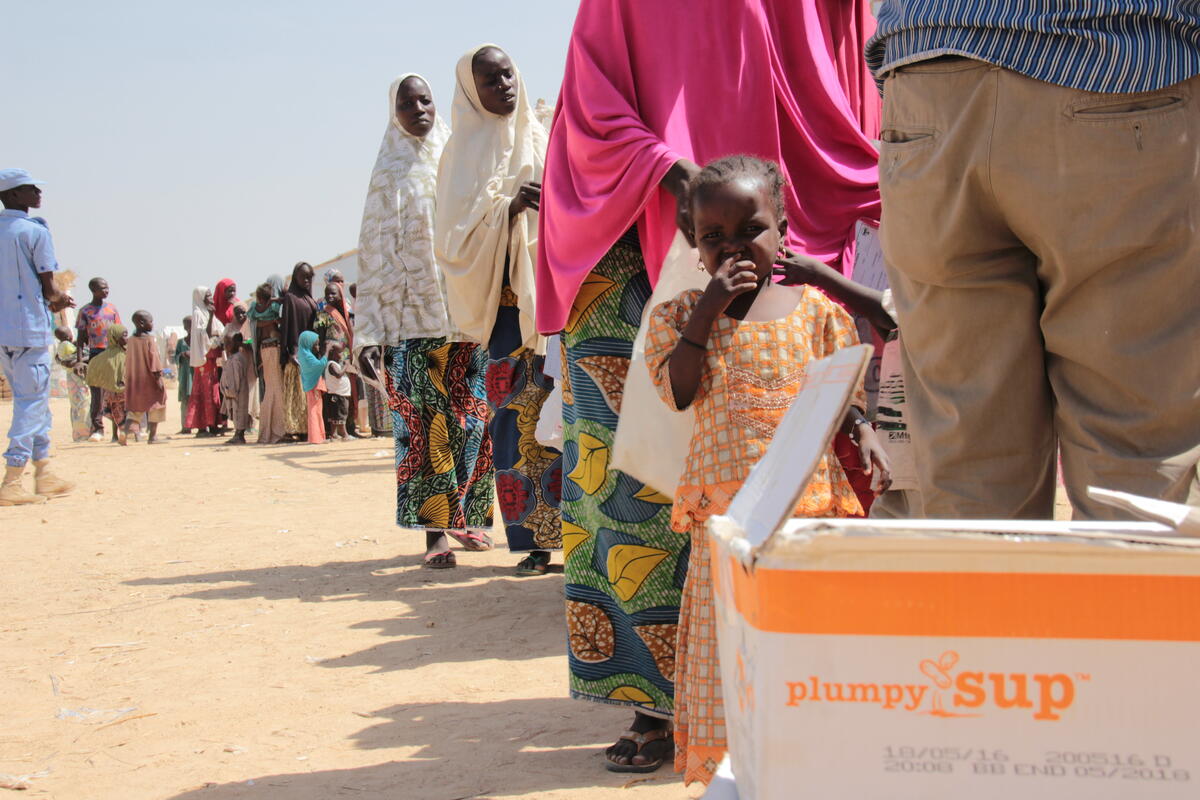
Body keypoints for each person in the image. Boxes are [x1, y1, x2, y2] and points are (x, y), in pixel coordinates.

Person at [535, 0, 881, 770]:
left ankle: (804, 705)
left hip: (775, 212)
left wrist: (784, 220)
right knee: (632, 484)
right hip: (631, 217)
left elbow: (846, 65)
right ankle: (656, 705)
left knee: (798, 491)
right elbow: (589, 97)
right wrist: (673, 179)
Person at [867, 3, 1200, 519]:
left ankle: (987, 600)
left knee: (966, 469)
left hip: (930, 85)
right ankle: (1130, 599)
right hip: (1117, 70)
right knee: (1133, 460)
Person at [645, 156, 890, 784]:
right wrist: (710, 308)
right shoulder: (679, 317)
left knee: (808, 652)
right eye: (713, 237)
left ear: (782, 225)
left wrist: (862, 431)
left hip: (806, 515)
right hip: (725, 526)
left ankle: (815, 771)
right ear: (693, 247)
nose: (733, 247)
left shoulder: (817, 313)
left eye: (750, 228)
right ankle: (738, 775)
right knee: (731, 651)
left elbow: (841, 400)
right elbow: (678, 390)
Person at [355, 73, 496, 569]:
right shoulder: (387, 175)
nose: (419, 109)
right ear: (392, 112)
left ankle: (468, 517)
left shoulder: (457, 159)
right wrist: (369, 329)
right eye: (406, 102)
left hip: (464, 316)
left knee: (473, 419)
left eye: (425, 99)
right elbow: (372, 255)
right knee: (426, 428)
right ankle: (434, 531)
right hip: (412, 324)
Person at [435, 44, 562, 571]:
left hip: (553, 301)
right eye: (490, 81)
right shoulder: (458, 155)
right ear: (473, 92)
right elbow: (451, 244)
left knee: (561, 420)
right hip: (506, 310)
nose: (504, 85)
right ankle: (533, 542)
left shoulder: (546, 132)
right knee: (514, 425)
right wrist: (507, 209)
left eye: (507, 73)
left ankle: (572, 539)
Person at [0, 168, 74, 505]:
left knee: (35, 399)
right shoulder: (35, 232)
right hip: (29, 328)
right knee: (31, 403)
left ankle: (44, 471)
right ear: (13, 196)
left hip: (4, 331)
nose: (37, 193)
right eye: (29, 188)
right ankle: (13, 478)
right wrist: (60, 297)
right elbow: (48, 286)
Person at [75, 276, 122, 441]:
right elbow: (80, 338)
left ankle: (118, 429)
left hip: (113, 354)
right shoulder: (85, 311)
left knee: (116, 392)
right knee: (97, 394)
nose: (106, 291)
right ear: (93, 290)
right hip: (95, 354)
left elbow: (120, 334)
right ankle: (97, 429)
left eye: (107, 287)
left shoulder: (112, 310)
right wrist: (80, 360)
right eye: (102, 288)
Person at [280, 262, 318, 441]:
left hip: (310, 353)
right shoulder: (291, 298)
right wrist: (289, 352)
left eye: (310, 277)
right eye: (304, 277)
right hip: (297, 353)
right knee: (296, 397)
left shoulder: (308, 298)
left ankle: (306, 430)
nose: (307, 280)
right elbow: (287, 326)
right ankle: (293, 430)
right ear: (295, 277)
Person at [313, 281, 354, 437]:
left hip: (345, 358)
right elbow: (319, 336)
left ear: (340, 295)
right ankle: (334, 431)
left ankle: (348, 427)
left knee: (346, 394)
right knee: (334, 396)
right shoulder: (323, 313)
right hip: (331, 360)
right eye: (327, 293)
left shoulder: (345, 312)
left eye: (333, 293)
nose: (330, 296)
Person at [247, 281, 285, 444]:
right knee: (276, 390)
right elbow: (279, 324)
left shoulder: (254, 310)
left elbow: (255, 325)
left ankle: (267, 430)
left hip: (263, 350)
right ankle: (278, 430)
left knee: (269, 390)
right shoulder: (274, 309)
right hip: (274, 349)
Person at [124, 310, 169, 444]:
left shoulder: (130, 340)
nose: (153, 324)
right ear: (142, 323)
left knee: (135, 409)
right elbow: (154, 360)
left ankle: (124, 434)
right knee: (157, 405)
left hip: (134, 381)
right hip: (149, 380)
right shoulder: (150, 340)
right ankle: (153, 437)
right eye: (151, 321)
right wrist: (158, 380)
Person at [86, 324, 129, 445]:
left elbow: (94, 365)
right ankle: (124, 434)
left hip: (111, 391)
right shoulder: (121, 355)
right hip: (121, 391)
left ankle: (117, 435)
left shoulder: (105, 356)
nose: (126, 338)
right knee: (124, 413)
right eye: (124, 335)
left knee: (116, 414)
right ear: (115, 337)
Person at [185, 286, 220, 436]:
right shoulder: (199, 314)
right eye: (208, 296)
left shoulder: (207, 312)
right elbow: (204, 336)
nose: (211, 299)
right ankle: (202, 426)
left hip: (212, 359)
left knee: (212, 392)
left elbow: (218, 331)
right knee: (204, 392)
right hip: (204, 359)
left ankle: (213, 424)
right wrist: (211, 317)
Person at [54, 325, 92, 442]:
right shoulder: (66, 345)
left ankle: (77, 434)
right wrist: (87, 356)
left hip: (70, 379)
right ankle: (84, 433)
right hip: (77, 379)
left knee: (75, 407)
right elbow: (74, 358)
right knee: (83, 405)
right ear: (67, 335)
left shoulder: (60, 347)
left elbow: (61, 359)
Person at [219, 331, 252, 445]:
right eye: (224, 343)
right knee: (235, 412)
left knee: (240, 412)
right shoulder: (232, 358)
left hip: (237, 391)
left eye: (228, 343)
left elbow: (236, 377)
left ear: (237, 343)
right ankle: (237, 433)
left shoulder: (237, 358)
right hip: (232, 391)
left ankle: (240, 435)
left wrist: (232, 390)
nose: (226, 346)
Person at [296, 330, 327, 445]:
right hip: (312, 386)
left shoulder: (304, 353)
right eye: (316, 344)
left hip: (312, 385)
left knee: (317, 410)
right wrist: (327, 353)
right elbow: (319, 365)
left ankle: (319, 435)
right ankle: (315, 437)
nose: (318, 347)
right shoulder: (307, 356)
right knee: (314, 411)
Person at [323, 341, 351, 440]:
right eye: (340, 353)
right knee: (341, 414)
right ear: (333, 354)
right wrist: (346, 366)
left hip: (339, 393)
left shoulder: (335, 364)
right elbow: (338, 374)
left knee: (335, 415)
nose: (342, 355)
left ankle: (333, 434)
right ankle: (344, 434)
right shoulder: (332, 364)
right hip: (337, 394)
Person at [174, 315, 193, 434]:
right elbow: (175, 358)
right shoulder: (181, 342)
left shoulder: (199, 340)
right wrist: (182, 355)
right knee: (185, 401)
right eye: (186, 324)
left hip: (196, 374)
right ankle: (186, 427)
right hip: (185, 376)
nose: (189, 327)